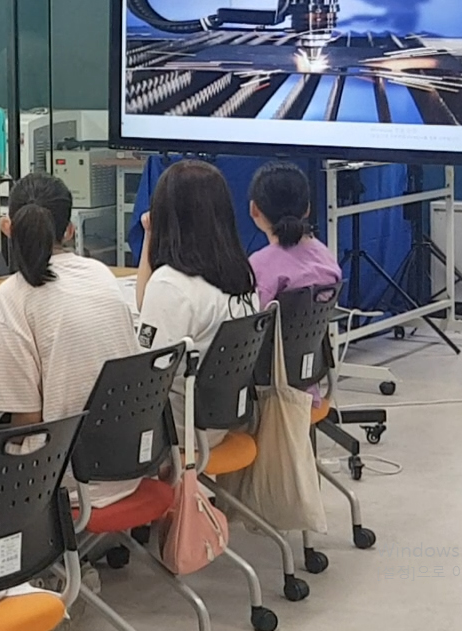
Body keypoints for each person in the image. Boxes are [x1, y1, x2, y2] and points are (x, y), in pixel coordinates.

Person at [0, 174, 143, 509]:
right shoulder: (100, 273)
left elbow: (27, 420)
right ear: (70, 230)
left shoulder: (12, 296)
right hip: (132, 461)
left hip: (65, 479)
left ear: (7, 227)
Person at [135, 160, 259, 448]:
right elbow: (146, 303)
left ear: (166, 215)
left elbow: (147, 375)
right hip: (218, 421)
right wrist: (150, 236)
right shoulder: (242, 276)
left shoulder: (171, 284)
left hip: (176, 430)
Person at [247, 161, 342, 308]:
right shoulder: (325, 256)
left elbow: (249, 314)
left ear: (254, 209)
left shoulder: (257, 267)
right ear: (308, 209)